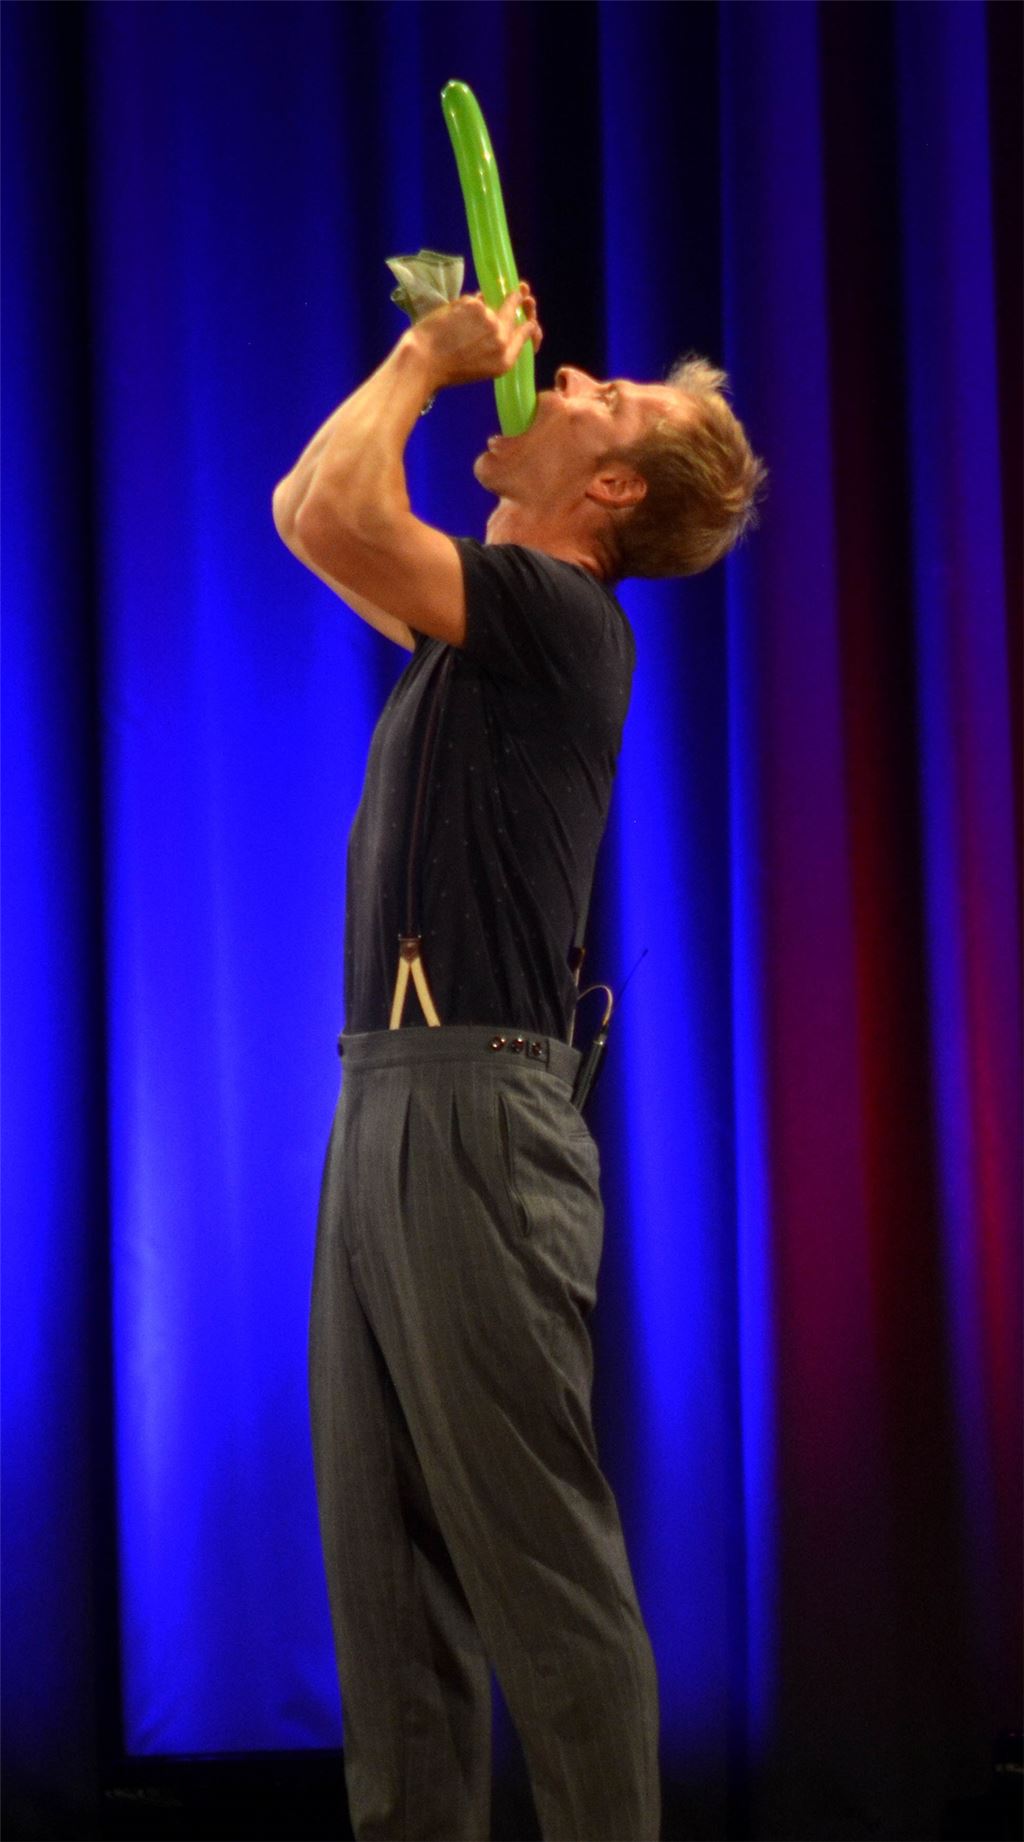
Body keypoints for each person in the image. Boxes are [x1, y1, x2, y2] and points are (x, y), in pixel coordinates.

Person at [272, 286, 766, 1842]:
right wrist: (433, 369)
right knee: (390, 1579)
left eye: (606, 396)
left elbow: (339, 505)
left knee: (540, 1572)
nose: (570, 382)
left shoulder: (563, 622)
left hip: (480, 1111)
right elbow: (309, 511)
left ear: (613, 488)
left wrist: (433, 360)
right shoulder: (475, 623)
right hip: (385, 1100)